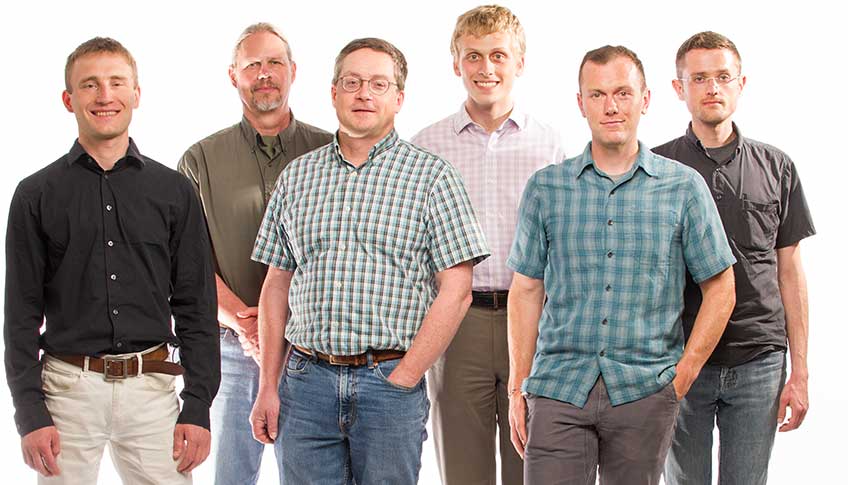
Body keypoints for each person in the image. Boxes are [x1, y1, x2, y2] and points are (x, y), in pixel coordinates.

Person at [247, 37, 489, 485]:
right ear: (333, 92)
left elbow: (456, 291)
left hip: (388, 383)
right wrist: (268, 385)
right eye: (352, 82)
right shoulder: (298, 176)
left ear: (398, 98)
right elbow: (276, 282)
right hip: (305, 384)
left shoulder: (433, 178)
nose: (363, 94)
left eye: (378, 84)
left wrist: (406, 374)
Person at [506, 45, 737, 485]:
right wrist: (519, 387)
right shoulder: (547, 188)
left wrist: (680, 379)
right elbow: (527, 290)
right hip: (558, 388)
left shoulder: (682, 187)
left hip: (645, 390)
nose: (610, 106)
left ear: (645, 99)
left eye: (622, 93)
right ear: (580, 103)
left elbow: (721, 287)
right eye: (597, 95)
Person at [4, 37, 219, 484]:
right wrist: (29, 412)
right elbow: (20, 315)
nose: (105, 96)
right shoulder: (35, 195)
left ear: (136, 94)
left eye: (116, 82)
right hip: (67, 391)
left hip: (152, 390)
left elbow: (196, 305)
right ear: (69, 99)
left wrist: (198, 405)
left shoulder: (174, 192)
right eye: (89, 85)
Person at [655, 31, 816, 485]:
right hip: (681, 358)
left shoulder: (777, 167)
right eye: (699, 77)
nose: (712, 88)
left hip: (760, 358)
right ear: (678, 88)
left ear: (741, 84)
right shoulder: (657, 169)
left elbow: (791, 272)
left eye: (723, 77)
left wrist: (799, 370)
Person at [411, 5, 563, 484]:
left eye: (499, 55)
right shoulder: (426, 146)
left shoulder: (550, 147)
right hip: (457, 327)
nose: (486, 68)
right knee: (462, 469)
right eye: (473, 56)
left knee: (532, 463)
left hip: (534, 323)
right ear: (456, 63)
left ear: (520, 62)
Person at [177, 22, 332, 485]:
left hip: (314, 350)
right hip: (230, 349)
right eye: (252, 65)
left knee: (312, 476)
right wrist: (242, 320)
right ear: (233, 75)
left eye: (274, 63)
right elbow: (186, 261)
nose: (264, 74)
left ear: (293, 71)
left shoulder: (330, 150)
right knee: (230, 476)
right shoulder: (199, 160)